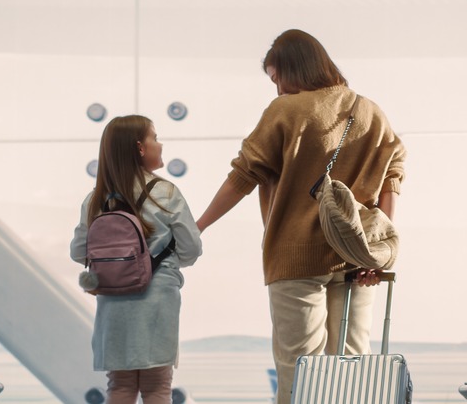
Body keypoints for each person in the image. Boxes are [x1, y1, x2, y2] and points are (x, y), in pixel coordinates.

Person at [196, 29, 406, 404]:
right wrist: (376, 250)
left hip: (295, 256)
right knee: (352, 367)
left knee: (301, 370)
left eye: (277, 78)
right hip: (357, 257)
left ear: (294, 70)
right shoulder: (370, 111)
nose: (277, 90)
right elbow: (393, 176)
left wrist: (199, 226)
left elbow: (243, 175)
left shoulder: (286, 110)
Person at [70, 115, 203, 403]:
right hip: (157, 298)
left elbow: (78, 252)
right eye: (155, 137)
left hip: (113, 302)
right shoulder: (165, 192)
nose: (160, 143)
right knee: (157, 386)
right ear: (141, 148)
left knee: (119, 386)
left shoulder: (96, 199)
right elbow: (191, 248)